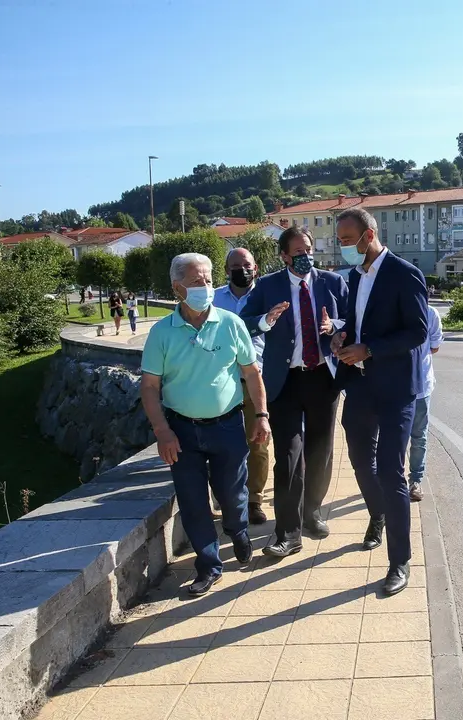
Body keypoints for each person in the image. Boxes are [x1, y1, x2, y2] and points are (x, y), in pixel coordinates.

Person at [140, 253, 270, 596]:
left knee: (232, 492)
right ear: (177, 287)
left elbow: (251, 372)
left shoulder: (231, 323)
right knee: (193, 501)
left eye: (210, 280)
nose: (206, 287)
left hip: (227, 427)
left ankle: (237, 529)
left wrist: (261, 415)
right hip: (181, 431)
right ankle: (209, 565)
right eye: (198, 281)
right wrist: (162, 431)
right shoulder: (161, 333)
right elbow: (150, 387)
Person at [332, 207, 428, 596]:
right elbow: (356, 322)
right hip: (359, 387)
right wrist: (341, 339)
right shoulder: (355, 277)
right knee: (359, 461)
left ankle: (399, 561)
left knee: (391, 470)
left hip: (395, 391)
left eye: (346, 240)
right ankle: (379, 515)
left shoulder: (405, 274)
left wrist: (369, 349)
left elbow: (418, 332)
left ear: (368, 236)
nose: (343, 248)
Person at [242, 227, 348, 557]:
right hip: (284, 382)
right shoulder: (268, 286)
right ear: (284, 256)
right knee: (288, 455)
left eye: (309, 249)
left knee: (320, 450)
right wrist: (265, 322)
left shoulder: (332, 283)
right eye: (298, 251)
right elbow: (244, 321)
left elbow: (353, 319)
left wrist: (336, 327)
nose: (306, 256)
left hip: (322, 378)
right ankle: (287, 533)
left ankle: (311, 512)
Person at [214, 248, 271, 525]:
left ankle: (254, 500)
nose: (241, 269)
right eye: (235, 265)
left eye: (246, 264)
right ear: (226, 270)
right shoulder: (213, 298)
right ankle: (228, 498)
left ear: (255, 267)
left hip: (254, 380)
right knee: (223, 445)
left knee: (258, 443)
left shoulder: (266, 297)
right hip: (219, 383)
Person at [408, 305, 442, 502]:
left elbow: (435, 346)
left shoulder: (430, 313)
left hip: (422, 386)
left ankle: (415, 480)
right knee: (393, 436)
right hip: (396, 387)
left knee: (418, 435)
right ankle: (390, 480)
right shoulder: (394, 309)